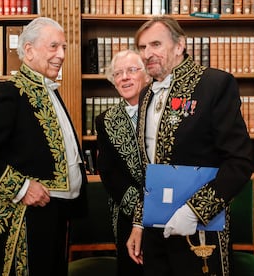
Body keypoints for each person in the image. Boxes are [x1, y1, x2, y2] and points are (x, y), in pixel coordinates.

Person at [0, 17, 87, 276]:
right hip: (26, 218)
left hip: (55, 216)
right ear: (29, 50)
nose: (61, 55)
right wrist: (22, 187)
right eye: (53, 47)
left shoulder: (50, 90)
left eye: (64, 47)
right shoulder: (11, 92)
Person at [126, 16, 253, 275]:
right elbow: (146, 169)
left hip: (200, 230)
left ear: (179, 45)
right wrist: (139, 223)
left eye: (156, 44)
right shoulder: (146, 94)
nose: (148, 53)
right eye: (142, 47)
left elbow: (239, 162)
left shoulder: (214, 84)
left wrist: (195, 212)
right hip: (154, 232)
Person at [96, 50, 151, 276]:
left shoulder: (165, 111)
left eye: (131, 70)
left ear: (147, 75)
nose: (124, 77)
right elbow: (109, 173)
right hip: (127, 212)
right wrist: (141, 211)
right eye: (118, 73)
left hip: (171, 208)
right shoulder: (105, 120)